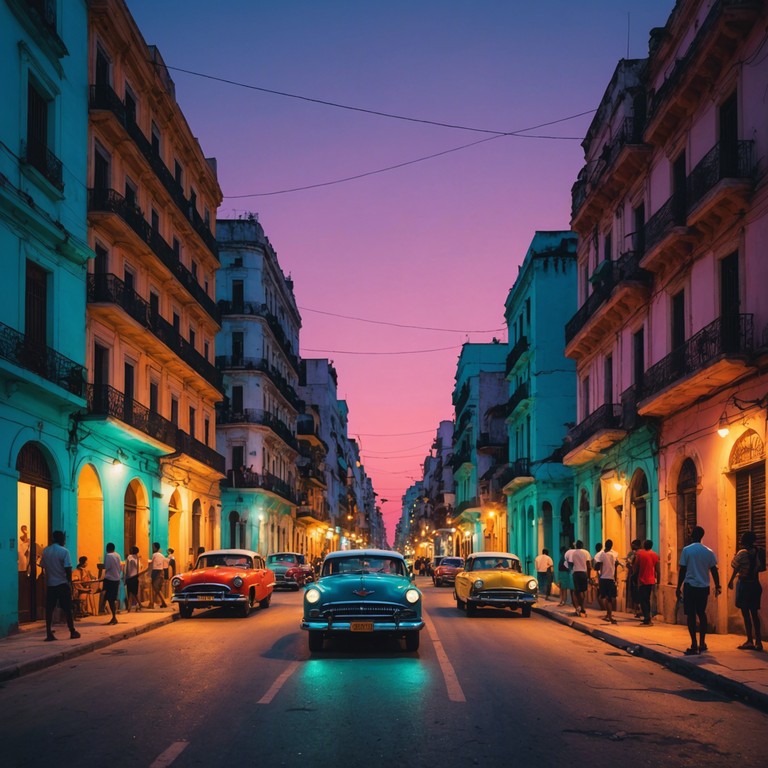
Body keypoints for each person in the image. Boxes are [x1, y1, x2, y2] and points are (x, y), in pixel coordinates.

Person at [676, 525, 721, 656]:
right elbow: (714, 570)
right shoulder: (709, 552)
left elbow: (682, 570)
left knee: (691, 615)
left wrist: (678, 586)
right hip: (703, 587)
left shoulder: (687, 550)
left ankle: (694, 644)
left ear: (691, 535)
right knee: (702, 613)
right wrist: (718, 586)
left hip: (690, 586)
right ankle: (702, 643)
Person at [39, 531, 80, 641]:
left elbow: (42, 564)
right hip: (62, 583)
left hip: (51, 584)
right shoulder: (64, 551)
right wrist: (69, 582)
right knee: (67, 608)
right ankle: (72, 631)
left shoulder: (46, 551)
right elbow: (68, 568)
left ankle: (48, 632)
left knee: (49, 609)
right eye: (64, 538)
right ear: (61, 539)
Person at [728, 531, 764, 651]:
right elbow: (761, 567)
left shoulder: (742, 553)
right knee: (754, 613)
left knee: (745, 613)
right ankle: (758, 641)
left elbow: (735, 566)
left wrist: (731, 580)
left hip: (744, 585)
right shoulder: (759, 552)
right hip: (755, 584)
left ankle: (749, 640)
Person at [634, 539, 660, 626]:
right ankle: (648, 617)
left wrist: (634, 576)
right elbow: (658, 569)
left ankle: (647, 618)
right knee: (647, 599)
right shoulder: (655, 555)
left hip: (642, 580)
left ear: (644, 545)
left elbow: (636, 567)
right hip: (651, 580)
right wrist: (658, 581)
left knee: (643, 600)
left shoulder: (640, 554)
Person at [593, 538, 619, 624]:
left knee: (604, 597)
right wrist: (615, 578)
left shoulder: (602, 555)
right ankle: (609, 614)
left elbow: (597, 566)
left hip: (603, 578)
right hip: (611, 578)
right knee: (610, 597)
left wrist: (595, 565)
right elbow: (615, 567)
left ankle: (609, 615)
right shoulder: (613, 555)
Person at [565, 540, 591, 617]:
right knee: (583, 591)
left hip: (576, 573)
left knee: (577, 591)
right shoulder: (585, 553)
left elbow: (571, 563)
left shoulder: (574, 553)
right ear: (582, 546)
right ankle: (582, 607)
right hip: (584, 573)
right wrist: (588, 576)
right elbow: (588, 564)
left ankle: (580, 607)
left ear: (576, 546)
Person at [103, 542, 123, 625]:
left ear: (107, 549)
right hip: (117, 578)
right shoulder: (117, 555)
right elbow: (120, 566)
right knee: (112, 598)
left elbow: (107, 567)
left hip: (109, 578)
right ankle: (113, 616)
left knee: (109, 598)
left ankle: (114, 616)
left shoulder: (108, 556)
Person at [625, 539, 642, 618]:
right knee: (636, 592)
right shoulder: (636, 553)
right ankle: (637, 609)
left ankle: (638, 609)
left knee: (635, 592)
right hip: (637, 575)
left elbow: (629, 564)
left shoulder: (635, 554)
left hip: (635, 575)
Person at [124, 546, 144, 612]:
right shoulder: (137, 558)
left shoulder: (129, 558)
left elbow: (126, 568)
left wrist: (125, 577)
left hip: (130, 577)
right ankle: (134, 606)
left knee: (130, 593)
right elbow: (139, 567)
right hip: (135, 577)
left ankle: (131, 607)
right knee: (134, 593)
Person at [149, 542, 168, 608]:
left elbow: (152, 564)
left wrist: (151, 575)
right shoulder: (162, 555)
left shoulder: (154, 555)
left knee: (155, 588)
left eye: (153, 547)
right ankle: (161, 602)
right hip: (161, 572)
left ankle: (154, 604)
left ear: (155, 548)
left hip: (156, 572)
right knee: (157, 589)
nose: (152, 548)